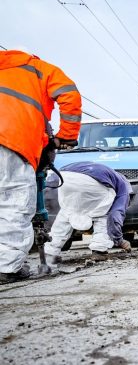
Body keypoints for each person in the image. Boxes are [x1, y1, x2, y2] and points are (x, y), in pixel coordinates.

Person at [0, 49, 81, 283]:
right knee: (14, 202)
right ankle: (6, 267)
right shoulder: (38, 68)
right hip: (13, 140)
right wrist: (66, 136)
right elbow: (69, 94)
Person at [45, 162, 132, 264]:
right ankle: (99, 251)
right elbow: (115, 215)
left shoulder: (105, 170)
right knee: (103, 215)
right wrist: (119, 240)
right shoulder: (123, 187)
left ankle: (50, 253)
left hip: (64, 177)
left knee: (67, 212)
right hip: (93, 182)